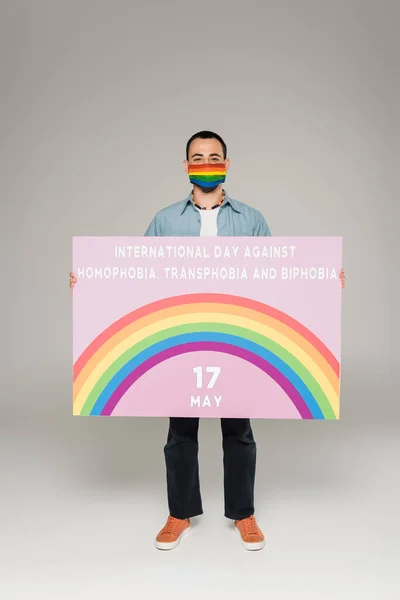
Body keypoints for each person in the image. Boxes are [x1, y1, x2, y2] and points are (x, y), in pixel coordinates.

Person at [70, 130, 345, 552]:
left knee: (240, 432)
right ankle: (179, 513)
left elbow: (279, 276)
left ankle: (244, 513)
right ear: (185, 167)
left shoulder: (251, 219)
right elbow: (133, 278)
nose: (205, 162)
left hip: (238, 337)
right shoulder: (164, 221)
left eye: (214, 156)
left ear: (227, 164)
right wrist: (89, 284)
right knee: (180, 432)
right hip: (179, 337)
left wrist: (324, 282)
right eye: (197, 157)